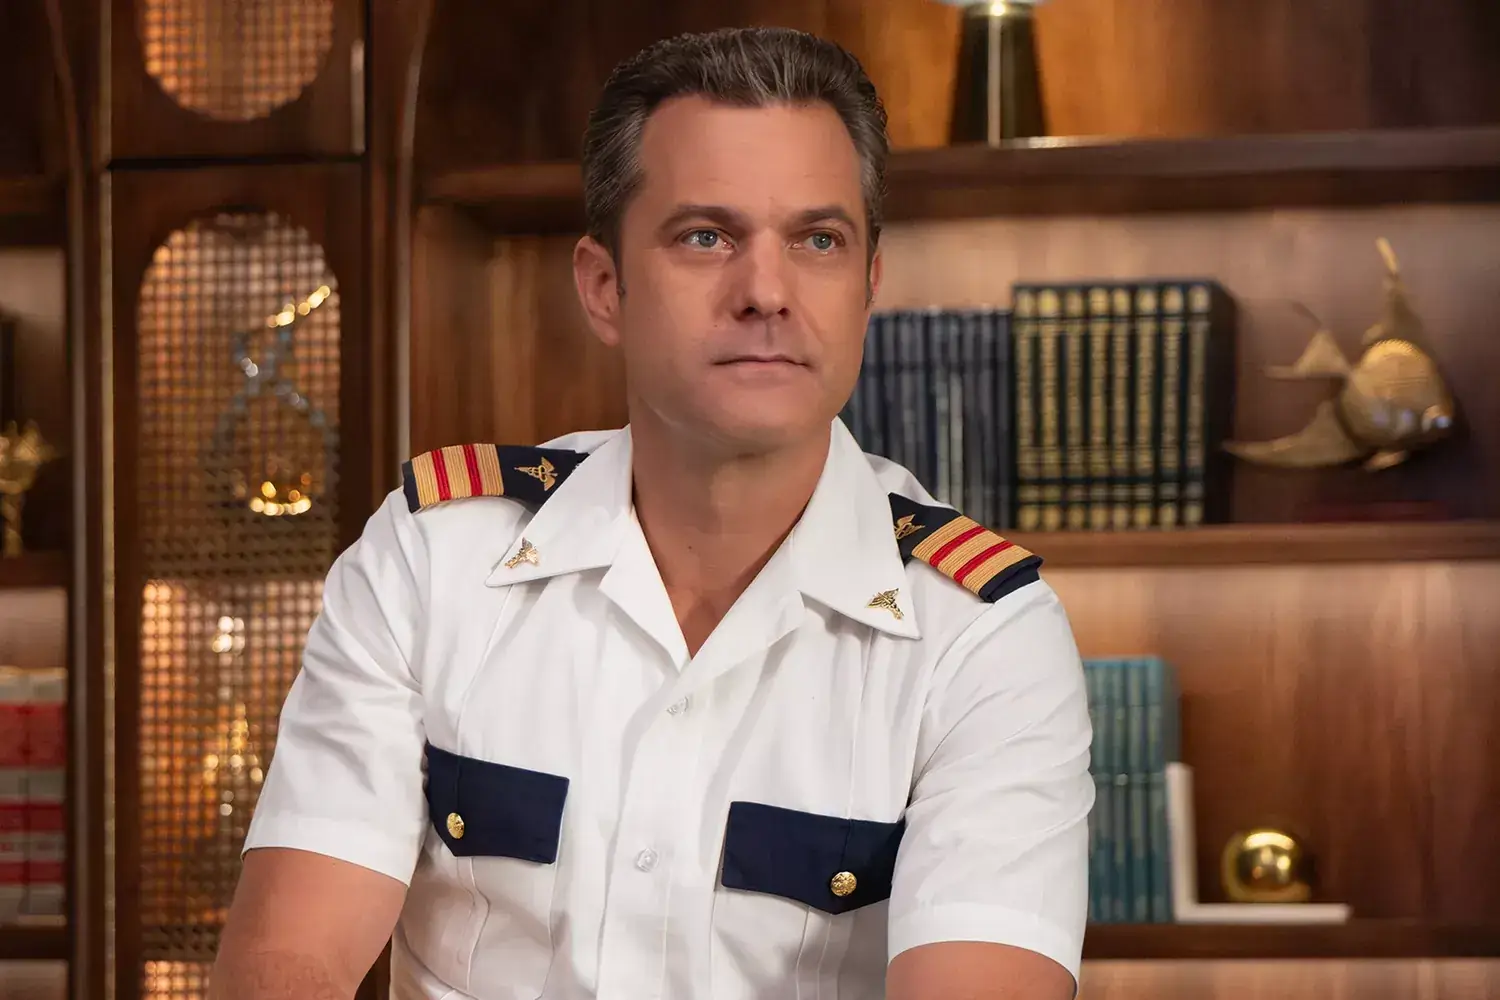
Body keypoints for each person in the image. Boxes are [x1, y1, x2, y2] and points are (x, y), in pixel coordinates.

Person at [210, 25, 1093, 1000]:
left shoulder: (982, 635)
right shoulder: (431, 560)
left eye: (818, 240)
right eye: (705, 236)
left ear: (867, 287)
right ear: (604, 289)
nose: (767, 292)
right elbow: (285, 964)